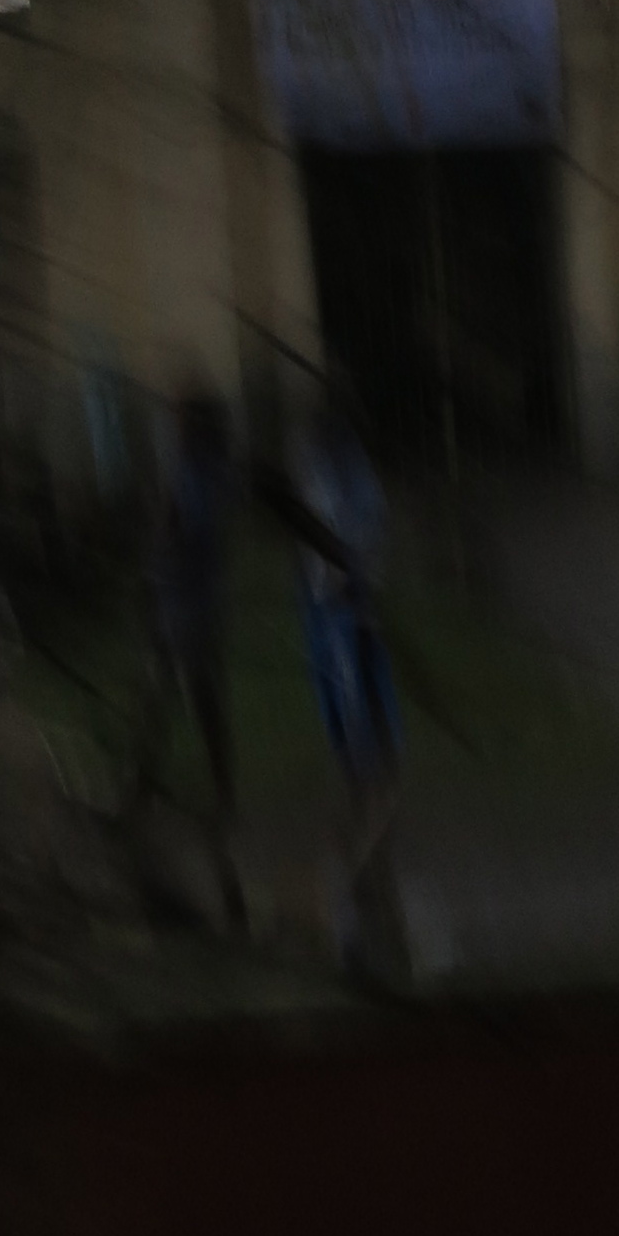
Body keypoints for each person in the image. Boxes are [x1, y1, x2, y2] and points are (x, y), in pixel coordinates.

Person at [290, 400, 399, 951]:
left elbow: (360, 549)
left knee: (371, 778)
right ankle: (350, 891)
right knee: (370, 779)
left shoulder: (343, 477)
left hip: (350, 632)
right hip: (344, 634)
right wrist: (353, 581)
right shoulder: (329, 480)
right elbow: (335, 565)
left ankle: (365, 889)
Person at [134, 388, 244, 928]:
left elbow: (182, 531)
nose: (169, 426)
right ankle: (143, 785)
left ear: (191, 426)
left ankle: (220, 800)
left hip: (190, 606)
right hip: (174, 601)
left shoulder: (201, 473)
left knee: (199, 701)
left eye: (176, 419)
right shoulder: (192, 470)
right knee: (161, 695)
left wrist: (161, 528)